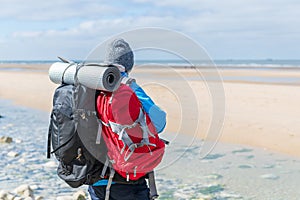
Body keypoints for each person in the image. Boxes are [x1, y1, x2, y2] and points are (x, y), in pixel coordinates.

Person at [88, 38, 166, 200]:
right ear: (129, 65)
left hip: (94, 176)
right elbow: (159, 123)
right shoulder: (127, 86)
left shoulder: (90, 83)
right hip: (125, 178)